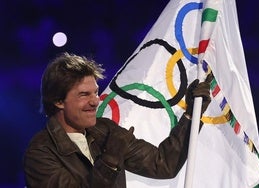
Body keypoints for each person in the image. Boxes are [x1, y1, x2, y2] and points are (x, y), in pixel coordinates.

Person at [24, 52, 211, 188]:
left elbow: (162, 164)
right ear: (58, 101)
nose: (95, 101)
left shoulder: (105, 131)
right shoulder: (40, 153)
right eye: (84, 94)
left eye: (96, 92)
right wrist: (110, 162)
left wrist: (191, 115)